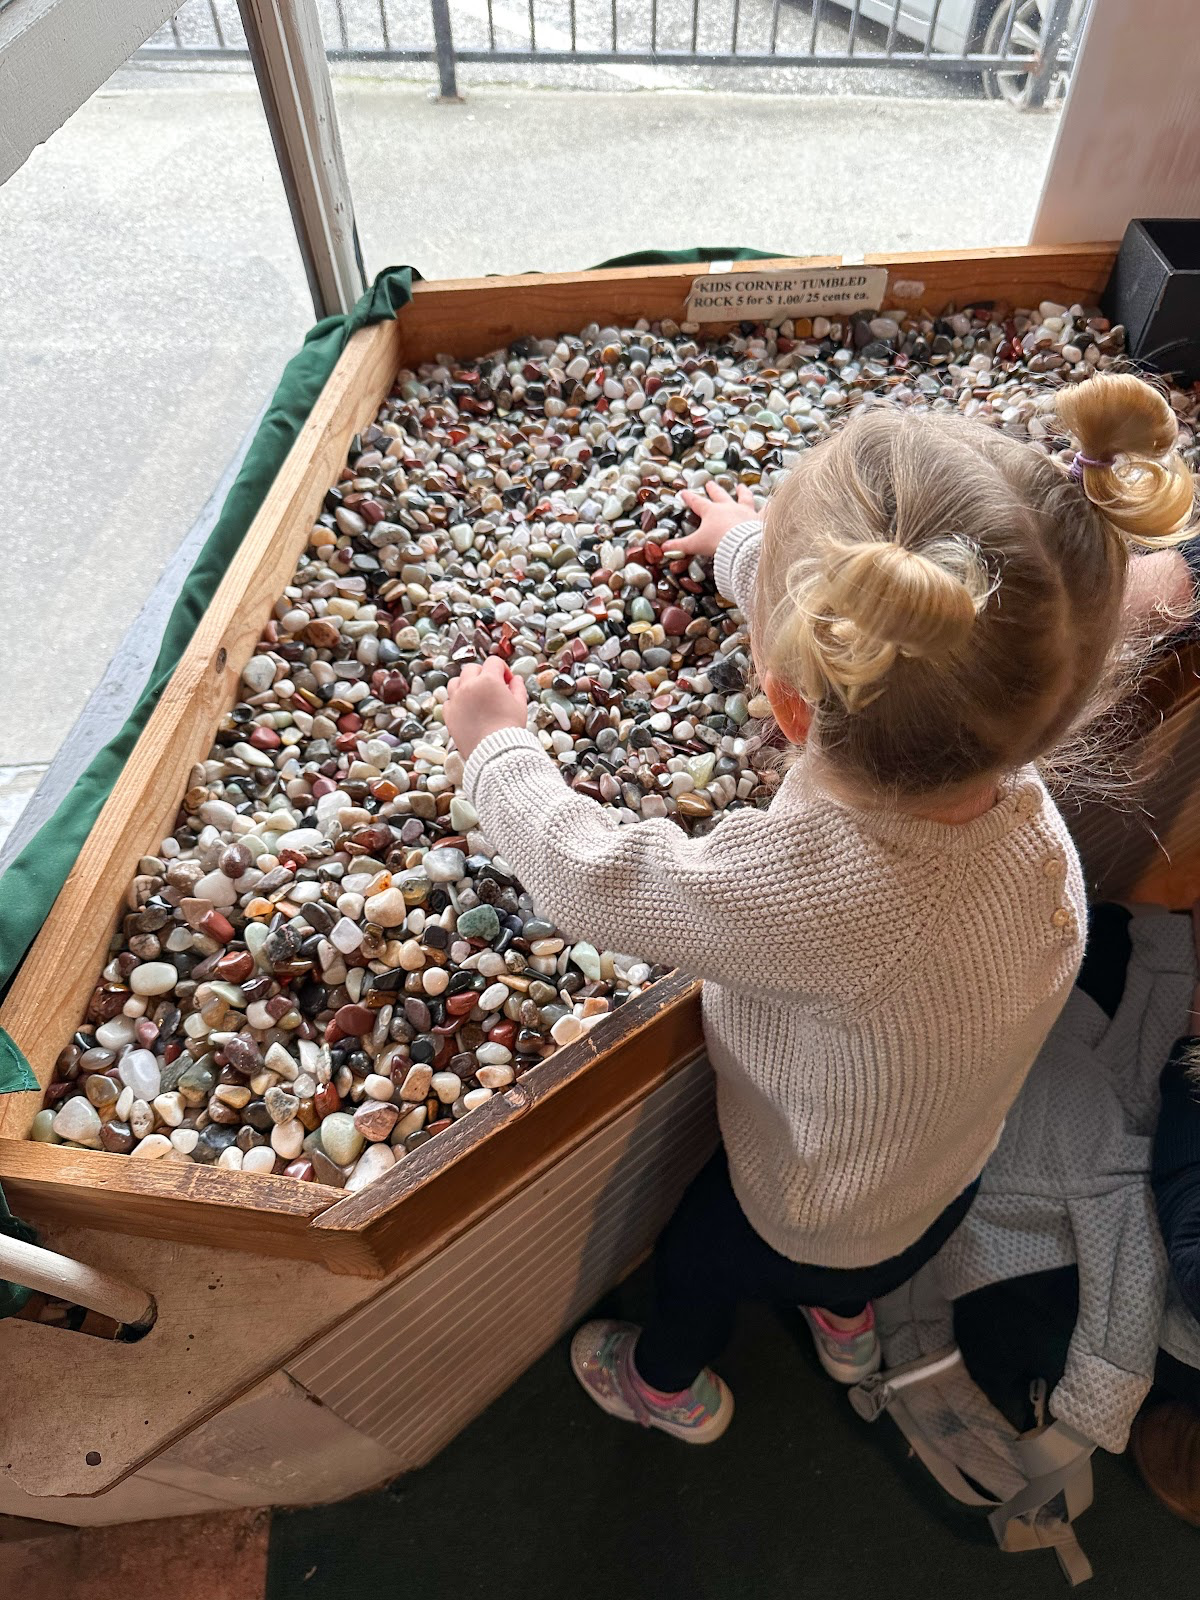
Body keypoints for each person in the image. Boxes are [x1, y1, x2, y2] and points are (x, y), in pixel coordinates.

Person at [444, 372, 1196, 1444]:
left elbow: (591, 876)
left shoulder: (815, 888)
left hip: (807, 1200)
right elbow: (905, 635)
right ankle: (846, 1322)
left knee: (703, 1260)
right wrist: (748, 550)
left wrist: (499, 750)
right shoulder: (1024, 803)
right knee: (861, 1264)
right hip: (942, 1179)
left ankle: (669, 1388)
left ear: (787, 697)